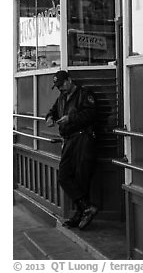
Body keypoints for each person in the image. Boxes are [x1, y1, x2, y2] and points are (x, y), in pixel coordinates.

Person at [45, 70, 98, 229]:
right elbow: (52, 111)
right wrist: (49, 118)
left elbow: (92, 114)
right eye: (58, 86)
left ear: (69, 80)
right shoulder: (61, 98)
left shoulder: (84, 94)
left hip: (83, 139)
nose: (60, 88)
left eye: (61, 84)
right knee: (64, 176)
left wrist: (70, 118)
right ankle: (86, 208)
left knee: (81, 177)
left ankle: (80, 213)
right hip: (69, 141)